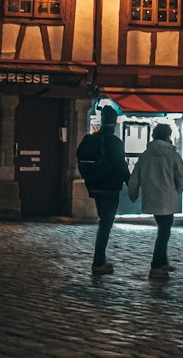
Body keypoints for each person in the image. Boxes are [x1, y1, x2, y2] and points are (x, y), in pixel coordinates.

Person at [126, 122, 183, 281]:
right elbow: (181, 175)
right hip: (168, 198)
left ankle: (163, 262)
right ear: (168, 136)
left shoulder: (145, 155)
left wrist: (133, 195)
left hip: (152, 198)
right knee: (164, 233)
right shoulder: (173, 154)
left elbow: (134, 179)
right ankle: (156, 266)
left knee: (163, 229)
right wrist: (179, 190)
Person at [76, 105, 129, 275]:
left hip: (95, 186)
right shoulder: (114, 142)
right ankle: (98, 261)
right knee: (105, 224)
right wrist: (131, 183)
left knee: (103, 222)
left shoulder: (90, 139)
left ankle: (101, 258)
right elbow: (121, 165)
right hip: (110, 188)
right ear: (114, 123)